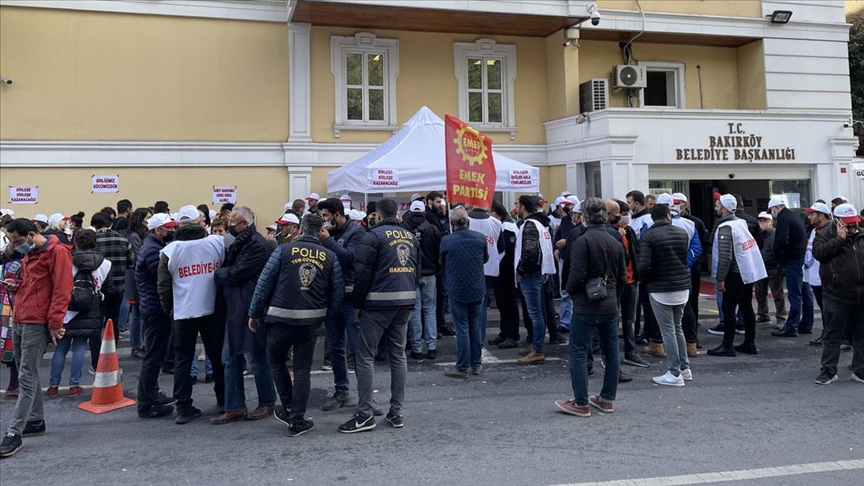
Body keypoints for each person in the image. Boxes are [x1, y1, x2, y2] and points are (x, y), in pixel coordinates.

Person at [248, 214, 342, 436]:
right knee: (302, 369)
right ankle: (297, 420)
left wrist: (254, 313)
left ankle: (289, 406)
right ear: (321, 232)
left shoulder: (282, 251)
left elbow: (264, 284)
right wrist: (328, 318)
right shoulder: (330, 256)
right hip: (310, 321)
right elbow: (336, 294)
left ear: (300, 230)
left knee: (275, 360)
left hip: (280, 318)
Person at [339, 198, 418, 433]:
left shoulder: (372, 236)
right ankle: (396, 412)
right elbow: (416, 267)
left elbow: (362, 274)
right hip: (405, 300)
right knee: (398, 355)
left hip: (378, 302)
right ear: (398, 214)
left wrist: (357, 304)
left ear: (377, 215)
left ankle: (364, 414)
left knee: (364, 356)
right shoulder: (410, 236)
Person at [0, 218, 73, 458]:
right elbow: (36, 284)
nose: (16, 246)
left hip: (34, 321)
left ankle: (14, 432)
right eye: (12, 241)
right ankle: (35, 419)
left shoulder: (57, 252)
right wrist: (16, 285)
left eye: (18, 241)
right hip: (22, 316)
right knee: (27, 373)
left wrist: (55, 323)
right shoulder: (33, 252)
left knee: (26, 375)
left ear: (31, 235)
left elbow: (62, 289)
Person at [556, 198, 626, 418]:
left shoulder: (582, 241)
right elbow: (622, 277)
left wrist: (572, 292)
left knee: (578, 351)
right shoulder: (615, 241)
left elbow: (575, 276)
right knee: (611, 351)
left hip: (587, 304)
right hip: (610, 302)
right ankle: (607, 398)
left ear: (584, 217)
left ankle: (581, 402)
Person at [157, 205, 226, 424]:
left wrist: (169, 308)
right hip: (213, 307)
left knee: (183, 360)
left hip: (184, 310)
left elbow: (163, 285)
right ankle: (224, 399)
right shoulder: (216, 242)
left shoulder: (171, 250)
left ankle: (184, 406)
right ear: (200, 222)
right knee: (217, 357)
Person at [211, 206, 276, 425]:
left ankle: (267, 401)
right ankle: (235, 406)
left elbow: (236, 273)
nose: (229, 226)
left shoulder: (256, 245)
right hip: (237, 307)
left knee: (256, 357)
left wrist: (218, 273)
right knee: (230, 358)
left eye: (233, 222)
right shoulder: (244, 242)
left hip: (250, 308)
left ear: (244, 224)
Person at [48, 230, 111, 398]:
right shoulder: (105, 263)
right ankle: (74, 385)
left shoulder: (66, 259)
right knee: (80, 347)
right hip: (90, 308)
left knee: (61, 348)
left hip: (66, 307)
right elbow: (107, 288)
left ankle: (53, 385)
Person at [317, 197, 366, 411]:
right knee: (336, 349)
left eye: (326, 216)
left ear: (337, 215)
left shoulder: (356, 232)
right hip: (330, 298)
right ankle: (341, 391)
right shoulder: (327, 234)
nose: (324, 221)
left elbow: (350, 258)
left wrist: (328, 241)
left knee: (357, 349)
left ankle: (366, 398)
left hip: (350, 299)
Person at [637, 204, 692, 387]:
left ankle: (674, 372)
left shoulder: (648, 236)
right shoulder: (681, 232)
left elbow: (644, 265)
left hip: (660, 287)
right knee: (677, 328)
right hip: (682, 284)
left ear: (653, 218)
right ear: (668, 215)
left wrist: (643, 280)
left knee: (667, 330)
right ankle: (684, 368)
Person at [707, 195, 767, 357]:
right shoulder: (740, 223)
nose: (715, 207)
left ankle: (727, 345)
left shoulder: (726, 227)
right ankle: (749, 343)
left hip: (734, 274)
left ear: (725, 209)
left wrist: (720, 278)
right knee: (746, 306)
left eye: (718, 205)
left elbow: (725, 256)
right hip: (746, 271)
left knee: (728, 308)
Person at [812, 203, 863, 385]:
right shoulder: (824, 234)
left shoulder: (861, 234)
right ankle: (828, 370)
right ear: (837, 221)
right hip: (836, 295)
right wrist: (839, 240)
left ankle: (860, 369)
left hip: (860, 295)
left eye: (854, 222)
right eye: (847, 223)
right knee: (833, 335)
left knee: (861, 334)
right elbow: (819, 253)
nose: (851, 226)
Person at [135, 213, 178, 420]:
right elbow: (161, 277)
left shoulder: (151, 247)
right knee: (153, 357)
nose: (170, 230)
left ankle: (152, 395)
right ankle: (146, 403)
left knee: (155, 355)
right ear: (156, 230)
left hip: (152, 307)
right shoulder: (153, 251)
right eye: (166, 227)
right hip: (156, 309)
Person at [441, 207, 488, 378]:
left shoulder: (447, 240)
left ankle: (462, 366)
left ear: (452, 224)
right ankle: (476, 364)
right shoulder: (480, 238)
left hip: (457, 288)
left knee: (461, 327)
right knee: (474, 326)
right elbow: (485, 259)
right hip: (477, 287)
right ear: (467, 222)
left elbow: (442, 262)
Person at [514, 195, 556, 365]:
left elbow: (530, 251)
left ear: (523, 207)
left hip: (532, 273)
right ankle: (536, 345)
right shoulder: (541, 223)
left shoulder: (530, 225)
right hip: (542, 271)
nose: (516, 209)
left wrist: (522, 269)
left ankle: (537, 349)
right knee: (540, 312)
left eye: (517, 205)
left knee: (536, 313)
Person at [402, 200, 441, 360]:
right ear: (424, 213)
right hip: (430, 273)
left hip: (411, 274)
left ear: (410, 213)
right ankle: (432, 346)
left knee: (415, 311)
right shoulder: (432, 229)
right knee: (430, 309)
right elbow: (439, 252)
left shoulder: (403, 229)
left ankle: (417, 348)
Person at [91, 212, 134, 352]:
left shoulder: (92, 241)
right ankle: (112, 351)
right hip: (118, 285)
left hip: (97, 287)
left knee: (97, 322)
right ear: (111, 223)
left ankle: (97, 356)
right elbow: (131, 262)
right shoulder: (123, 240)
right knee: (113, 319)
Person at [768, 197, 808, 337]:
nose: (771, 213)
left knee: (794, 294)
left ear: (776, 208)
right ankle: (804, 324)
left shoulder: (784, 218)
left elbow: (781, 240)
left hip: (792, 259)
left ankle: (792, 327)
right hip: (799, 257)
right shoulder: (793, 216)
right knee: (803, 293)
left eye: (772, 210)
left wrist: (779, 256)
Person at [468, 203, 502, 347]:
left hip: (469, 268)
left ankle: (471, 339)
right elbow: (500, 246)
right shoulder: (496, 223)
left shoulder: (465, 219)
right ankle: (478, 339)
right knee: (481, 305)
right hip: (488, 267)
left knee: (468, 306)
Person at [488, 201, 521, 349]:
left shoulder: (507, 226)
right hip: (501, 270)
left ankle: (512, 335)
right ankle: (504, 331)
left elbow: (507, 251)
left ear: (496, 213)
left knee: (509, 303)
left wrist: (499, 266)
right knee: (502, 302)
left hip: (506, 271)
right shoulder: (503, 225)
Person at [802, 202, 832, 346]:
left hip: (825, 278)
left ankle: (834, 337)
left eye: (812, 214)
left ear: (821, 215)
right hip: (815, 277)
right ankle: (826, 334)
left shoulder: (830, 231)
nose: (809, 217)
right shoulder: (815, 230)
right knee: (823, 308)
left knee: (830, 310)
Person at [425, 192, 454, 337]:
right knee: (435, 297)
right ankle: (436, 325)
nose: (441, 205)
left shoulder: (436, 217)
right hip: (433, 262)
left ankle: (440, 323)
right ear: (429, 202)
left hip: (437, 263)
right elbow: (433, 239)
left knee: (441, 294)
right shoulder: (428, 218)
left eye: (441, 202)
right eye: (437, 202)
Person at [123, 208, 151, 358]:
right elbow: (138, 256)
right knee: (138, 315)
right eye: (147, 218)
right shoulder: (134, 236)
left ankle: (142, 343)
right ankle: (136, 345)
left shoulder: (141, 235)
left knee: (141, 314)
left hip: (139, 277)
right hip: (136, 278)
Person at [754, 212, 787, 328]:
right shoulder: (758, 234)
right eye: (760, 220)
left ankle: (781, 317)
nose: (762, 223)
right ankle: (763, 314)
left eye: (765, 220)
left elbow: (779, 250)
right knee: (760, 292)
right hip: (760, 267)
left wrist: (779, 266)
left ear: (771, 221)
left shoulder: (774, 234)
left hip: (773, 267)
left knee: (778, 294)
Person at [0, 246, 24, 400]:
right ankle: (16, 385)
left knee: (8, 346)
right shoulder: (24, 265)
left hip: (3, 309)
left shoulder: (2, 268)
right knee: (20, 348)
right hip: (19, 308)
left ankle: (13, 384)